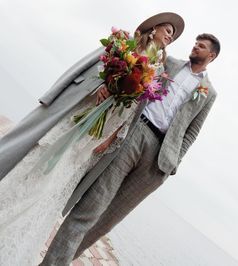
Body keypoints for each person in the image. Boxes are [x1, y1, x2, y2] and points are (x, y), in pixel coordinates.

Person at [0, 12, 184, 265]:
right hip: (82, 109)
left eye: (173, 36)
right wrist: (103, 84)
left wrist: (112, 136)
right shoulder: (125, 43)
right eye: (168, 30)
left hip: (102, 128)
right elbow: (93, 65)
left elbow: (135, 108)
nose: (170, 37)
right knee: (39, 157)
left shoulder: (158, 70)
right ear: (154, 29)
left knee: (58, 179)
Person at [40, 33, 221, 265]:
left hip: (159, 161)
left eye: (202, 46)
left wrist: (174, 163)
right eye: (196, 43)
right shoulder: (170, 63)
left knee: (107, 221)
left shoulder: (209, 93)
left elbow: (192, 131)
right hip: (136, 132)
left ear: (211, 56)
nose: (196, 47)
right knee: (91, 206)